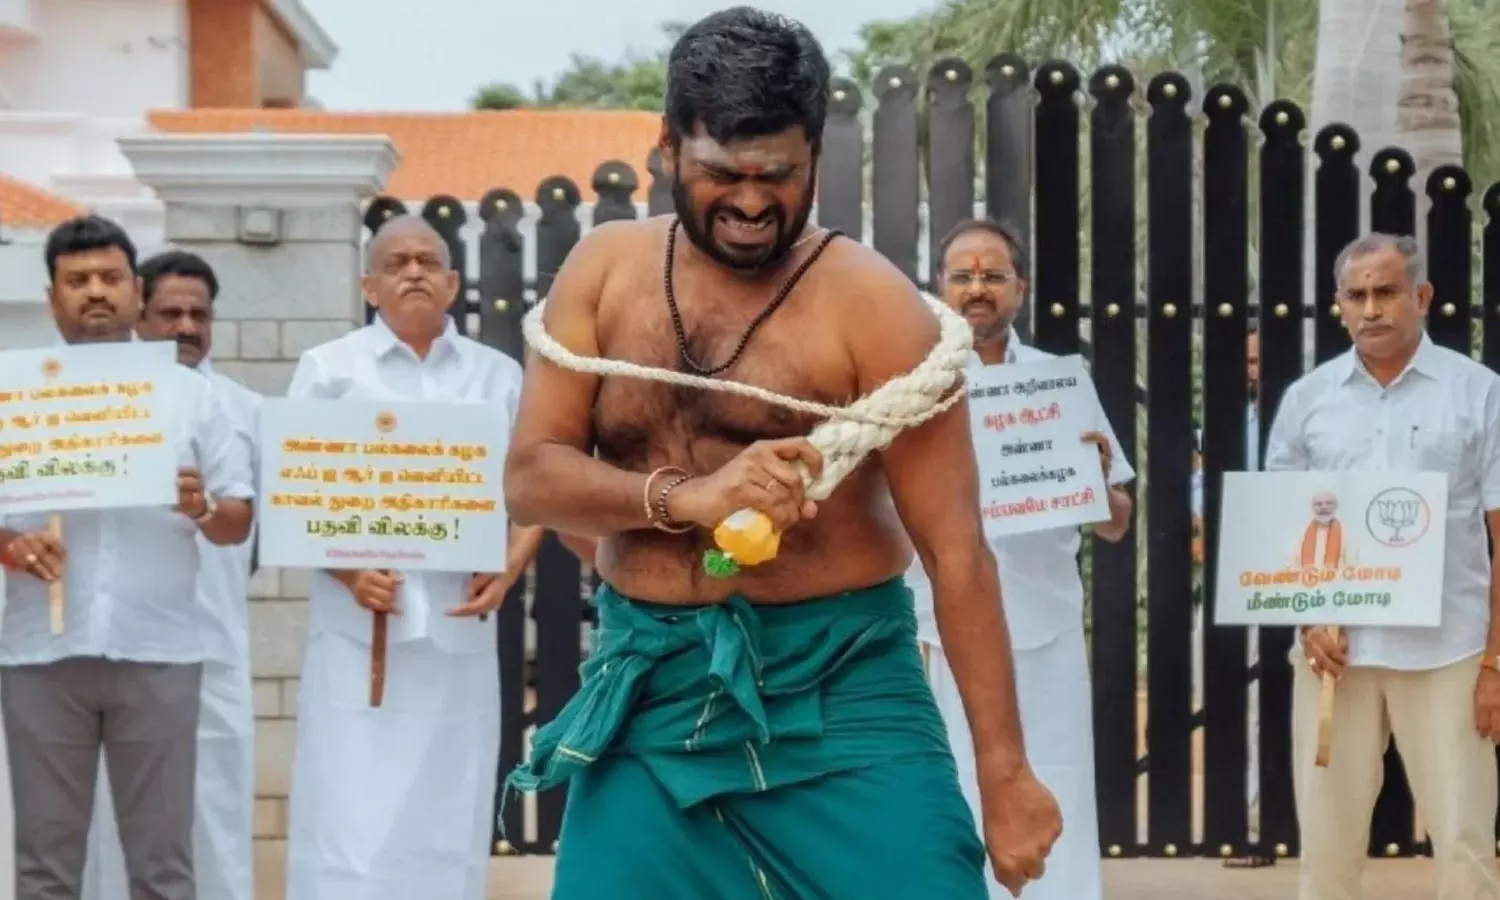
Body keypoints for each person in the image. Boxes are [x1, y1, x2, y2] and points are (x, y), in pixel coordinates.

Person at [501, 9, 1060, 900]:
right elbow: (532, 479)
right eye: (724, 174)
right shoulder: (603, 273)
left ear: (815, 160)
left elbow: (957, 552)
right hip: (652, 686)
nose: (754, 203)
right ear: (667, 148)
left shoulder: (877, 308)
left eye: (780, 176)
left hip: (845, 689)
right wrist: (690, 499)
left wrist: (1006, 774)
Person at [280, 214, 543, 900]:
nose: (414, 272)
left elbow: (537, 486)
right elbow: (294, 492)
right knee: (350, 817)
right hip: (359, 633)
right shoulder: (329, 370)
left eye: (428, 261)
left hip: (457, 629)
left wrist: (511, 563)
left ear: (453, 282)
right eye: (396, 263)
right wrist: (347, 571)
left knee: (447, 809)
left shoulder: (498, 376)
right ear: (369, 284)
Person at [0, 214, 256, 899]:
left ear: (136, 293)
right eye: (77, 279)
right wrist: (12, 546)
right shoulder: (12, 392)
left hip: (159, 651)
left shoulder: (190, 395)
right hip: (40, 651)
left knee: (163, 865)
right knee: (45, 866)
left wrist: (200, 508)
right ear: (52, 297)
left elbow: (237, 519)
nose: (95, 291)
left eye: (110, 277)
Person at [1267, 232, 1500, 900]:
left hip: (1448, 652)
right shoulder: (1308, 398)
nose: (1371, 308)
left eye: (1387, 291)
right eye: (1357, 295)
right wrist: (1309, 619)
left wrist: (1495, 662)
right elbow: (1281, 526)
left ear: (1421, 296)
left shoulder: (1478, 393)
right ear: (1339, 305)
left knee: (1463, 843)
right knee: (1326, 848)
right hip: (1334, 654)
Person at [911, 218, 1133, 900]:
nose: (977, 288)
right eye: (963, 276)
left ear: (1020, 288)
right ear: (940, 287)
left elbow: (1117, 523)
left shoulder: (1060, 383)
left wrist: (1096, 480)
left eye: (993, 275)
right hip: (939, 631)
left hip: (1043, 628)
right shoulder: (913, 381)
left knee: (1055, 785)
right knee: (948, 793)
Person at [82, 250, 262, 900]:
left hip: (215, 648)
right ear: (139, 314)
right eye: (170, 312)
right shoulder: (101, 405)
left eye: (199, 314)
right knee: (116, 816)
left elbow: (275, 521)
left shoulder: (247, 409)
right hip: (123, 647)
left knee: (217, 813)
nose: (185, 326)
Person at [1190, 324, 1274, 868]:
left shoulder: (1293, 419)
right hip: (1225, 576)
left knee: (1263, 700)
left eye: (1258, 361)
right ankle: (1237, 814)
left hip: (1279, 579)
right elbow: (1195, 493)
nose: (1251, 370)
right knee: (1218, 689)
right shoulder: (1214, 426)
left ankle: (1257, 822)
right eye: (1245, 360)